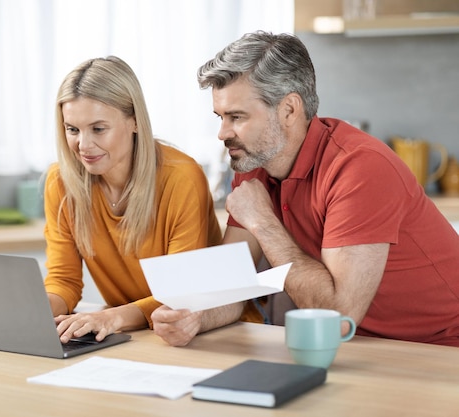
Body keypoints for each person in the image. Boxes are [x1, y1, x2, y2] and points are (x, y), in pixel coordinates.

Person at [189, 31, 459, 347]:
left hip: (439, 348)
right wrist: (194, 317)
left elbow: (336, 317)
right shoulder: (252, 163)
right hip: (359, 345)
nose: (222, 133)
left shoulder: (360, 168)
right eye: (220, 117)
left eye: (236, 117)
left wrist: (263, 223)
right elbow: (231, 288)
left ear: (289, 110)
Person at [43, 55, 239, 347]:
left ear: (134, 120)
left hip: (204, 335)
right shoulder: (61, 181)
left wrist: (110, 318)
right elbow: (64, 281)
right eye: (72, 129)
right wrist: (31, 312)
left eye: (98, 129)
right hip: (133, 336)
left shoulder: (181, 178)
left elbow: (179, 295)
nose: (83, 146)